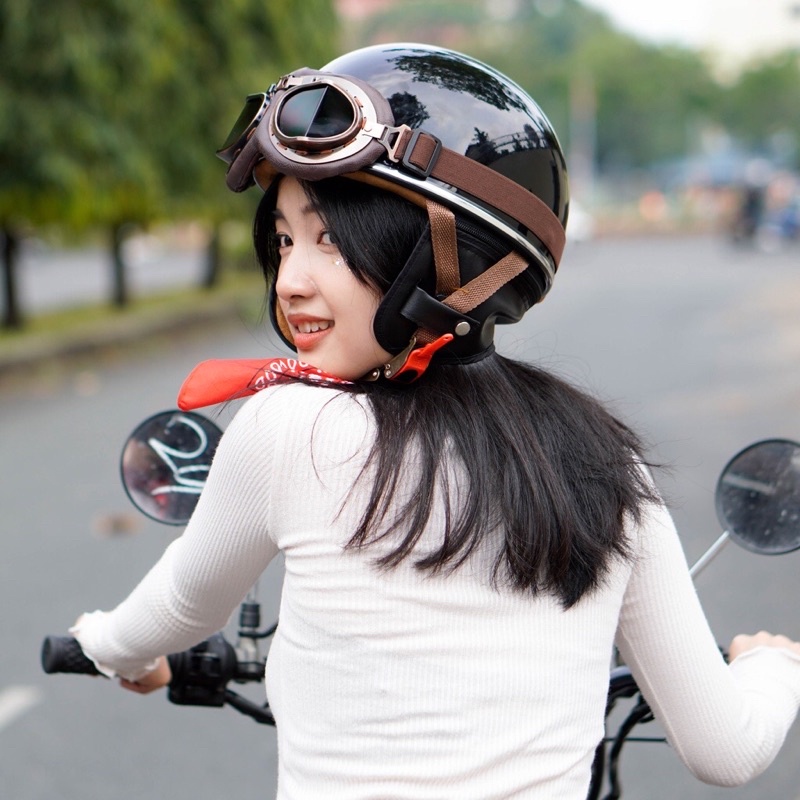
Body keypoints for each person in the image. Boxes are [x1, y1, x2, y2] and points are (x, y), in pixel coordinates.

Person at [69, 44, 800, 799]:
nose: (290, 280)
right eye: (285, 239)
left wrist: (106, 646)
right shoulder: (609, 465)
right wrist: (773, 661)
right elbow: (726, 749)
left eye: (330, 239)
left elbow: (178, 610)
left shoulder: (290, 429)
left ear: (453, 261)